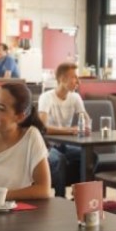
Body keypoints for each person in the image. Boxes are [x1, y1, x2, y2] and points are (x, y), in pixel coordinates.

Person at [38, 62, 89, 198]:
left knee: (90, 157)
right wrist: (70, 131)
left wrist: (86, 125)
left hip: (66, 145)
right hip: (48, 146)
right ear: (62, 79)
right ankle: (60, 198)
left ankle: (80, 195)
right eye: (74, 77)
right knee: (59, 159)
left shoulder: (75, 97)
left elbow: (86, 120)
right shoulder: (46, 97)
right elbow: (42, 127)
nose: (78, 81)